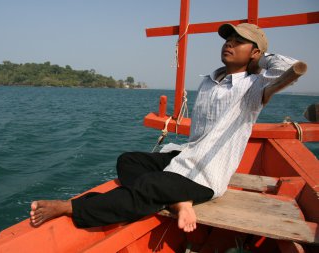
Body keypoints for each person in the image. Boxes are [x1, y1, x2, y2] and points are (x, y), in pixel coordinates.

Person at [30, 23, 298, 232]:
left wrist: (259, 62)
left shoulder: (254, 87)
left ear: (254, 52)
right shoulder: (210, 81)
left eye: (239, 41)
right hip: (185, 158)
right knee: (128, 160)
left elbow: (291, 68)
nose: (229, 43)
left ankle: (71, 207)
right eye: (228, 39)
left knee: (149, 185)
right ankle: (178, 201)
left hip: (205, 176)